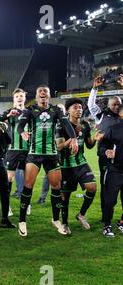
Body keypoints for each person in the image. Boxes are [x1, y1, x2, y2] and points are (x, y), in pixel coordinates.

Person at [17, 85, 78, 237]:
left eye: (45, 92)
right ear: (36, 96)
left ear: (49, 96)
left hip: (51, 154)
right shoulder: (29, 110)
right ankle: (22, 221)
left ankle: (56, 219)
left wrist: (74, 139)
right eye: (40, 92)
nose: (43, 94)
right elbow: (19, 126)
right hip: (34, 153)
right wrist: (23, 132)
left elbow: (66, 124)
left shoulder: (56, 111)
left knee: (56, 187)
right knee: (28, 186)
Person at [56, 98, 97, 235]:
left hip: (81, 163)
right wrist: (74, 137)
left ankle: (81, 214)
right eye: (75, 107)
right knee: (65, 196)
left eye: (80, 107)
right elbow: (60, 146)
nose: (79, 110)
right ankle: (65, 223)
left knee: (92, 187)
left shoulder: (85, 124)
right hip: (66, 166)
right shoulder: (61, 125)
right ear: (68, 110)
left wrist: (96, 138)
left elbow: (89, 145)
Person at [88, 74, 123, 215]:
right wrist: (94, 89)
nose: (116, 106)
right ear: (108, 105)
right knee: (106, 185)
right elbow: (91, 105)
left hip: (120, 157)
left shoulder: (121, 117)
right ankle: (105, 215)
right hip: (104, 156)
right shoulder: (101, 115)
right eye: (114, 104)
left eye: (119, 104)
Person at [0, 89, 30, 217]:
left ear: (25, 98)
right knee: (9, 178)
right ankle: (7, 206)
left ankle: (26, 204)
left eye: (21, 96)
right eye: (17, 96)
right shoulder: (8, 112)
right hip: (11, 150)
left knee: (28, 179)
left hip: (27, 150)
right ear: (14, 99)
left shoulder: (29, 112)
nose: (19, 98)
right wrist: (8, 116)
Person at [98, 103, 123, 237]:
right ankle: (107, 225)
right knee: (109, 201)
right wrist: (106, 151)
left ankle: (122, 223)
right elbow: (102, 146)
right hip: (115, 171)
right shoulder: (113, 129)